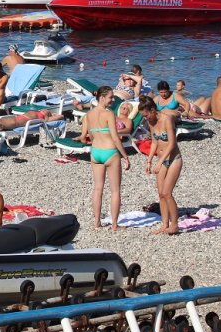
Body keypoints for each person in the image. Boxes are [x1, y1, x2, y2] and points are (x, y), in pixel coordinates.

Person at [76, 86, 130, 230]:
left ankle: (97, 223)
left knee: (98, 188)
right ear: (102, 97)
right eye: (111, 97)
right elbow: (115, 137)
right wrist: (125, 156)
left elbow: (88, 136)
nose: (113, 100)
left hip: (95, 153)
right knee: (115, 190)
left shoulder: (89, 114)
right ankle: (114, 225)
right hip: (110, 152)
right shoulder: (109, 114)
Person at [138, 95, 182, 235]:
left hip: (174, 159)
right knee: (161, 194)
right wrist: (149, 161)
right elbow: (155, 142)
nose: (146, 118)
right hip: (161, 159)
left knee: (167, 193)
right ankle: (164, 224)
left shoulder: (167, 119)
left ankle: (174, 225)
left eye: (146, 115)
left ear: (152, 110)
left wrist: (160, 161)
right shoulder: (151, 122)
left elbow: (172, 143)